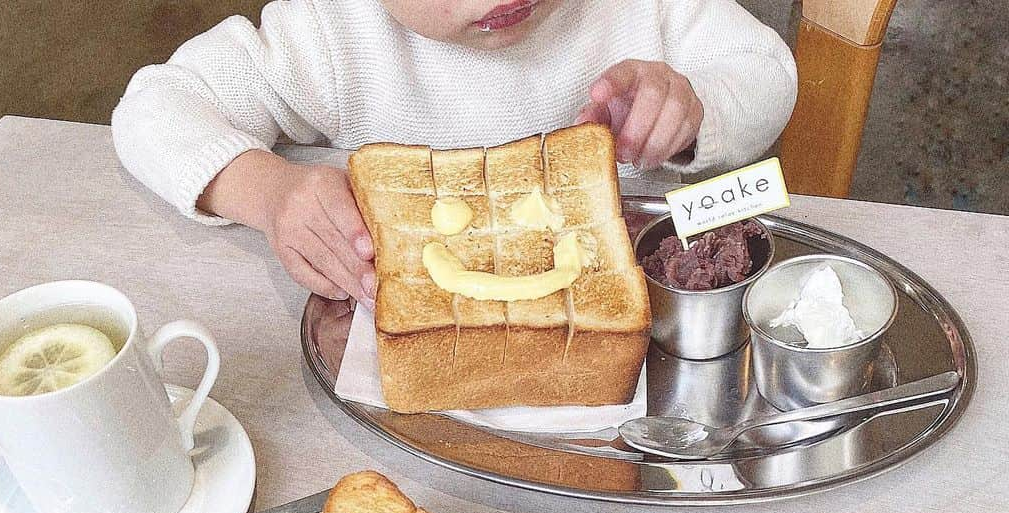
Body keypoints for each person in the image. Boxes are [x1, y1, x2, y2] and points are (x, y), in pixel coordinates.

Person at [112, 0, 796, 305]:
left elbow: (768, 72)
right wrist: (267, 192)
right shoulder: (330, 32)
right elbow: (154, 106)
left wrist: (691, 102)